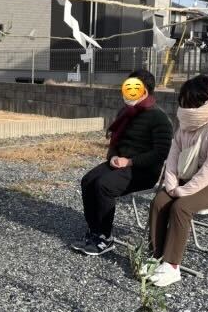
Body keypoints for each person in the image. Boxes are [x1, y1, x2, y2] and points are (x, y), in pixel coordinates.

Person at [72, 69, 173, 256]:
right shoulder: (126, 112)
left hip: (144, 171)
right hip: (120, 163)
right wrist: (112, 157)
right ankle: (94, 230)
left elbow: (161, 153)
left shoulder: (159, 118)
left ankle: (105, 237)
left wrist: (130, 161)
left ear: (145, 91)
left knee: (104, 185)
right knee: (88, 180)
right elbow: (115, 142)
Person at [146, 75, 208, 287]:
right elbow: (173, 155)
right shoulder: (186, 122)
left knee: (181, 207)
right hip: (186, 180)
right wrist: (171, 184)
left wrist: (184, 191)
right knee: (159, 201)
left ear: (198, 101)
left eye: (186, 100)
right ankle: (155, 257)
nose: (183, 105)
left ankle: (172, 266)